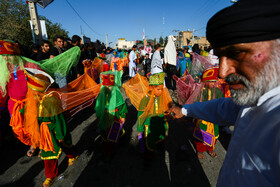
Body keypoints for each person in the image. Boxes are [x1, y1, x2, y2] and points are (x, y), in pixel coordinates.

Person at [167, 0, 280, 186]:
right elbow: (226, 107)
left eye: (237, 54)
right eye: (220, 57)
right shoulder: (256, 96)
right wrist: (185, 110)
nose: (222, 72)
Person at [23, 69, 78, 187]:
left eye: (32, 90)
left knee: (65, 144)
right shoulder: (34, 99)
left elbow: (59, 120)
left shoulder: (51, 100)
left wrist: (60, 135)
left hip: (53, 130)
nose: (30, 92)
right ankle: (51, 175)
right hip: (43, 132)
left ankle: (72, 155)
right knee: (48, 154)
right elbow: (27, 110)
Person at [137, 72, 172, 159]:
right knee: (150, 140)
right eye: (158, 89)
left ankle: (158, 148)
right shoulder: (145, 99)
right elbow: (141, 114)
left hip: (160, 120)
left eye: (161, 89)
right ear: (151, 88)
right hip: (149, 123)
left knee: (160, 135)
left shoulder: (161, 96)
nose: (161, 92)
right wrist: (140, 128)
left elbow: (166, 106)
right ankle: (149, 157)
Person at [94, 71, 127, 161]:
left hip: (114, 115)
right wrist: (98, 116)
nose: (108, 88)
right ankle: (109, 149)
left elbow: (121, 105)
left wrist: (123, 114)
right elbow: (98, 106)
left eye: (109, 86)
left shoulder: (116, 93)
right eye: (106, 86)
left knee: (113, 133)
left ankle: (111, 150)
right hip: (105, 116)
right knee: (105, 133)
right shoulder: (102, 93)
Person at [192, 67, 224, 159]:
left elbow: (221, 104)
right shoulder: (199, 92)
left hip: (213, 120)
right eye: (211, 81)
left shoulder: (218, 92)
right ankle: (200, 150)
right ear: (205, 82)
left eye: (215, 81)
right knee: (200, 136)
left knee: (213, 136)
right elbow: (196, 105)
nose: (214, 84)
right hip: (202, 119)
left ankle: (210, 149)